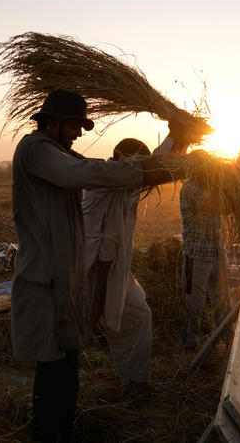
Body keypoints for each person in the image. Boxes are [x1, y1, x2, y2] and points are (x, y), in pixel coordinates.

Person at [10, 89, 187, 442]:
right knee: (56, 366)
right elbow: (90, 172)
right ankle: (49, 432)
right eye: (75, 124)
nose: (79, 133)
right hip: (46, 277)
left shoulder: (60, 153)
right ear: (54, 122)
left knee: (66, 364)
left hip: (67, 275)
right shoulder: (37, 151)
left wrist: (177, 139)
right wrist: (171, 164)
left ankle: (61, 426)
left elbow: (138, 167)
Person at [80, 122, 194, 394]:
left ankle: (135, 381)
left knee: (138, 314)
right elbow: (150, 167)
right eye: (138, 163)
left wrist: (180, 140)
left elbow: (155, 164)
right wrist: (176, 137)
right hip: (89, 267)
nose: (143, 167)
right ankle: (63, 384)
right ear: (124, 160)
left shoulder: (129, 180)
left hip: (117, 268)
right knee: (79, 323)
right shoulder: (104, 176)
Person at [179, 168, 235, 351]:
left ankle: (228, 341)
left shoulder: (211, 188)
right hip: (197, 256)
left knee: (223, 299)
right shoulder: (190, 189)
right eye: (207, 166)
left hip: (217, 254)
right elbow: (212, 203)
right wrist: (233, 187)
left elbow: (226, 209)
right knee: (194, 303)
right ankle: (190, 345)